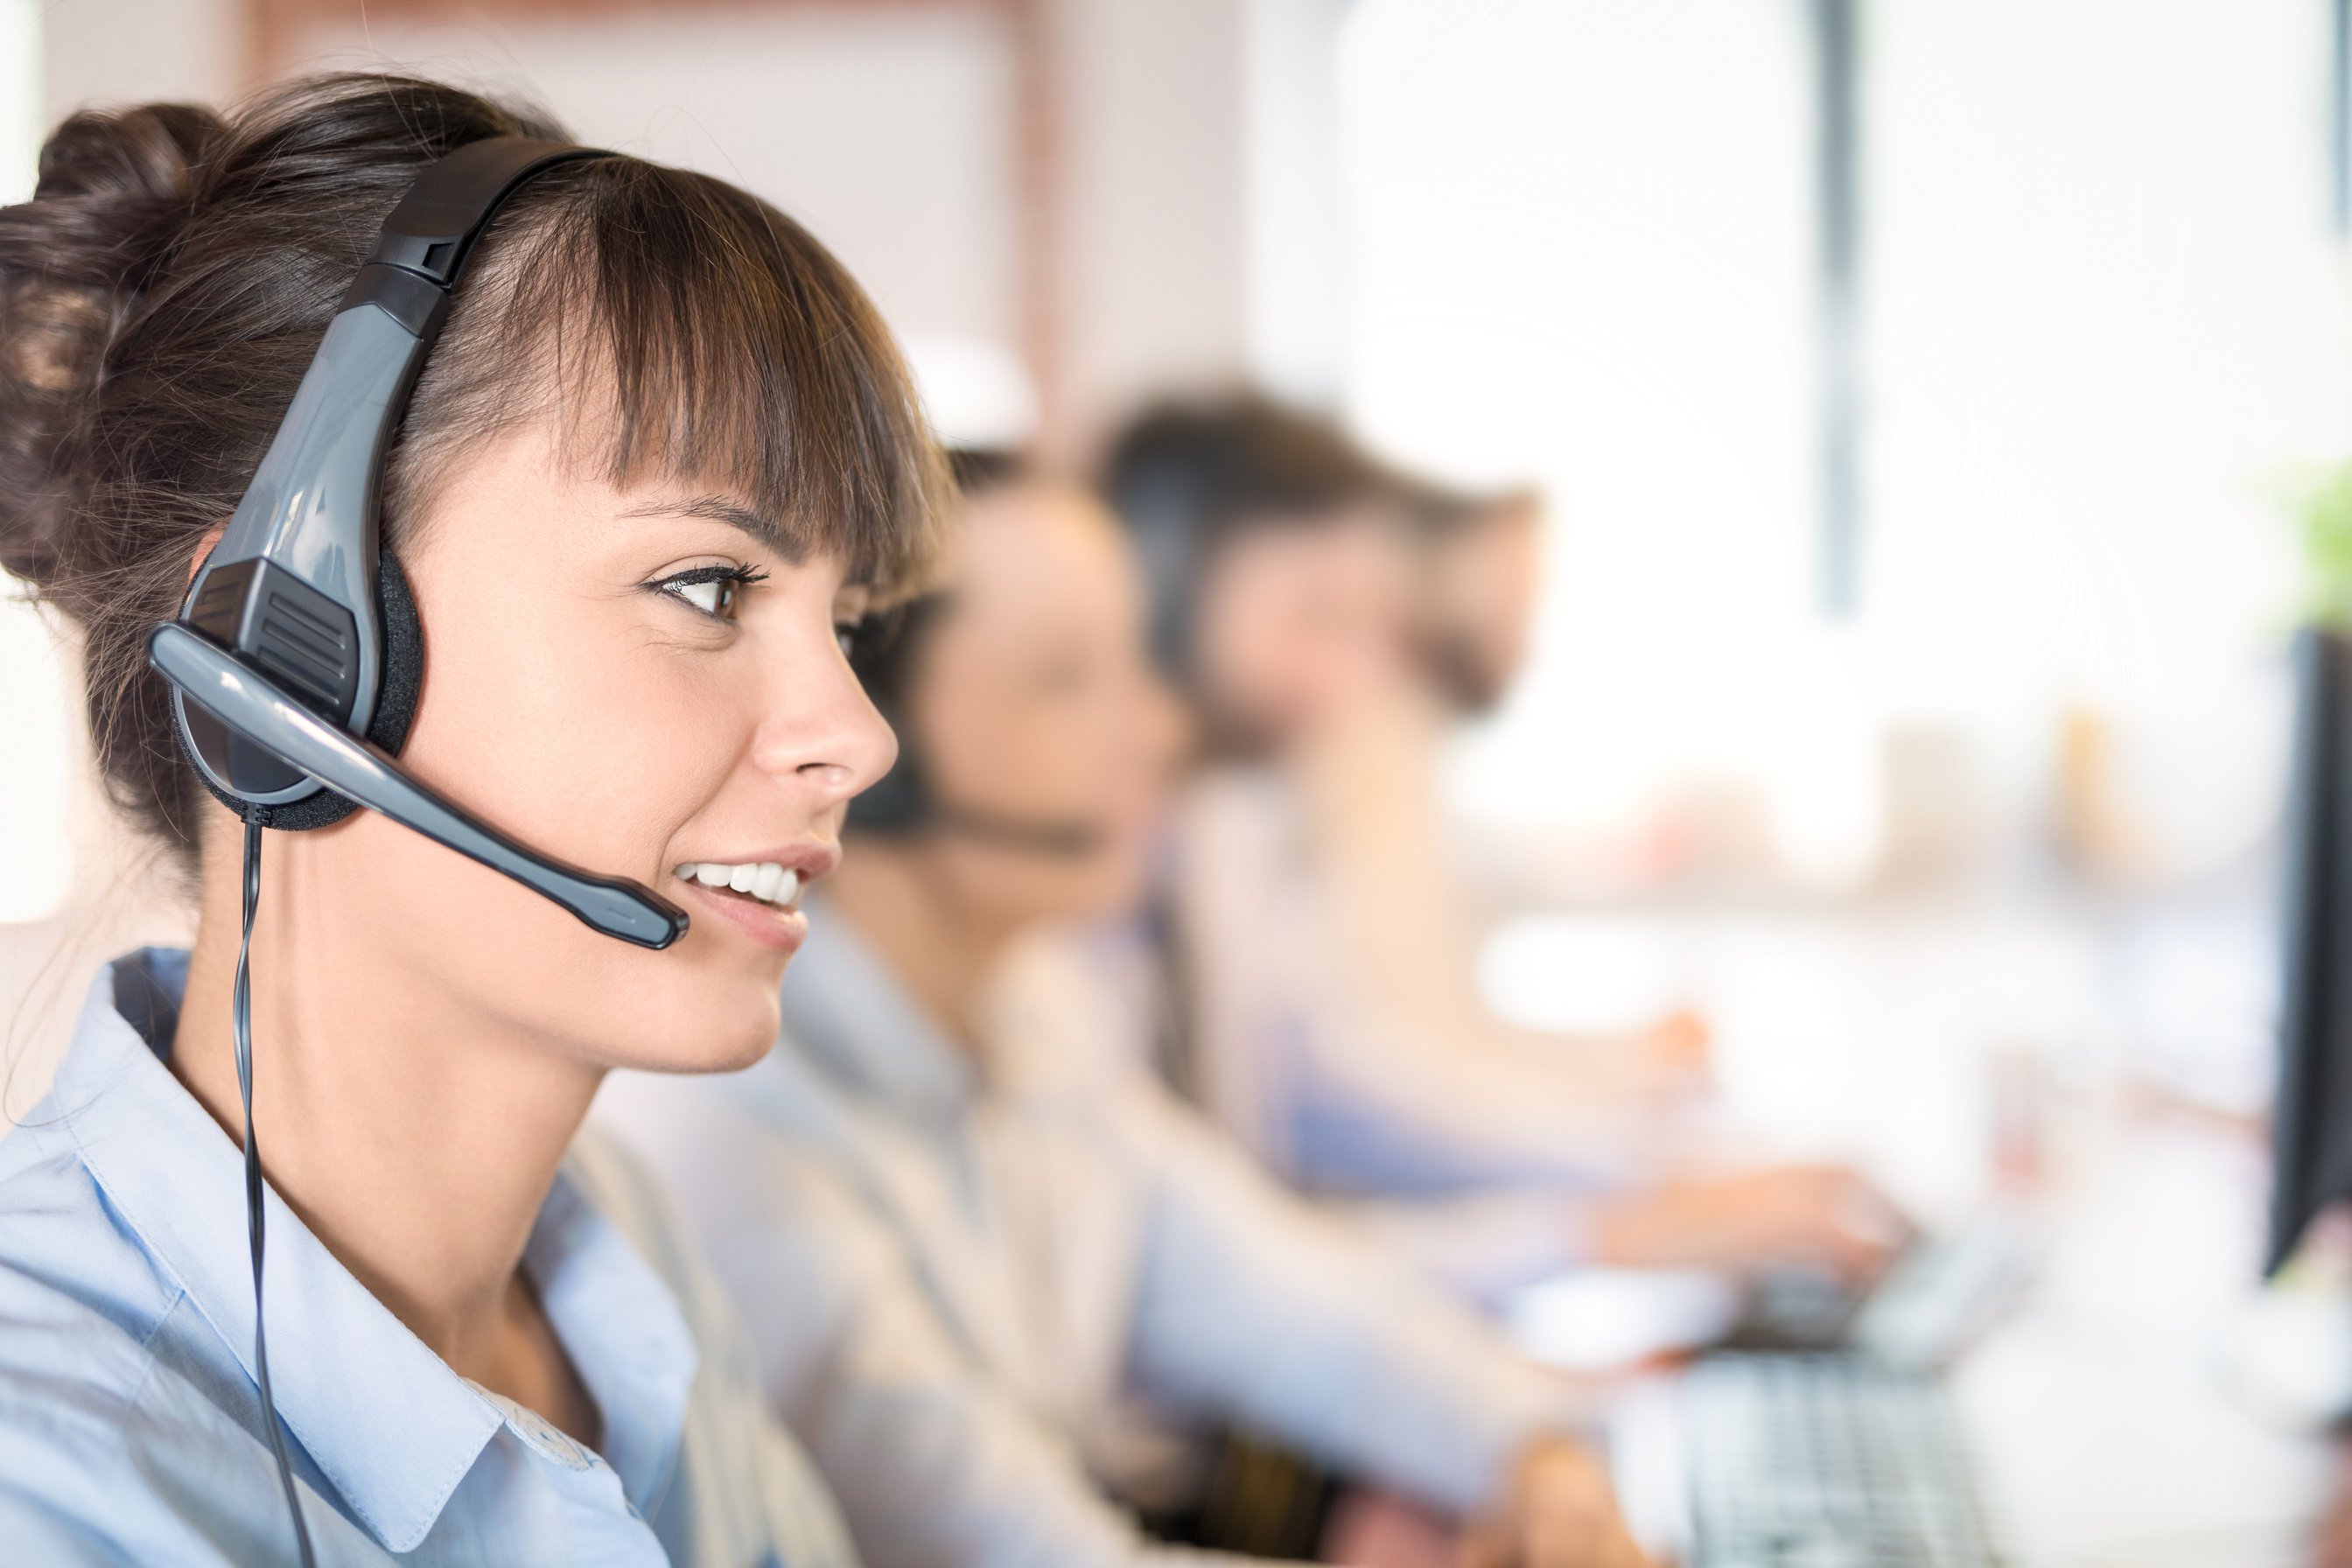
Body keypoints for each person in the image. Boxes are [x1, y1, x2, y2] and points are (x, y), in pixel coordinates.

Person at [0, 74, 949, 1564]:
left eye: (844, 620)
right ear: (281, 643)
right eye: (705, 584)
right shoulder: (43, 1481)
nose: (859, 736)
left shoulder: (605, 1252)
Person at [595, 456, 1649, 1568]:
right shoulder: (744, 1121)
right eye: (1065, 680)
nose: (1154, 730)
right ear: (878, 754)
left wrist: (1532, 1449)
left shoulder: (1040, 1008)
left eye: (1135, 665)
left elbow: (1291, 1301)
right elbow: (1020, 1551)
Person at [1101, 395, 1905, 1304]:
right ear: (1153, 593)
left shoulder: (1220, 830)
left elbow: (1340, 1092)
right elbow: (1195, 1278)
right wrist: (1618, 1218)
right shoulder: (1072, 891)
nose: (1350, 684)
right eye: (1313, 616)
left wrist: (1653, 1187)